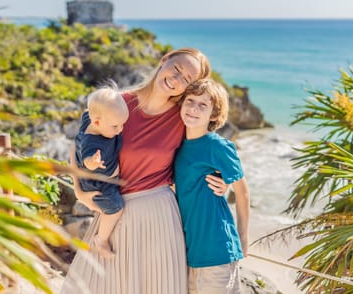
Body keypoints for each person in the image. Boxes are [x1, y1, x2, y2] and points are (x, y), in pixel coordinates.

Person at [60, 47, 228, 294]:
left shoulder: (183, 118)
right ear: (164, 61)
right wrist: (79, 192)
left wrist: (224, 181)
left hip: (160, 217)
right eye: (176, 69)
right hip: (114, 212)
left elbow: (203, 155)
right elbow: (78, 149)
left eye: (187, 79)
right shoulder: (116, 103)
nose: (176, 79)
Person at [174, 78, 250, 294]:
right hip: (191, 252)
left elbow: (242, 192)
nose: (193, 108)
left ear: (214, 114)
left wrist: (243, 237)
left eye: (203, 105)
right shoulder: (179, 145)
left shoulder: (217, 146)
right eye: (190, 100)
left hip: (217, 248)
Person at [74, 83, 128, 258]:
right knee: (116, 209)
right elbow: (86, 159)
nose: (120, 130)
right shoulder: (93, 143)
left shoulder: (91, 118)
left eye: (122, 124)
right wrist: (93, 162)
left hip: (101, 177)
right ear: (96, 122)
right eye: (115, 126)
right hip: (98, 183)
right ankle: (101, 239)